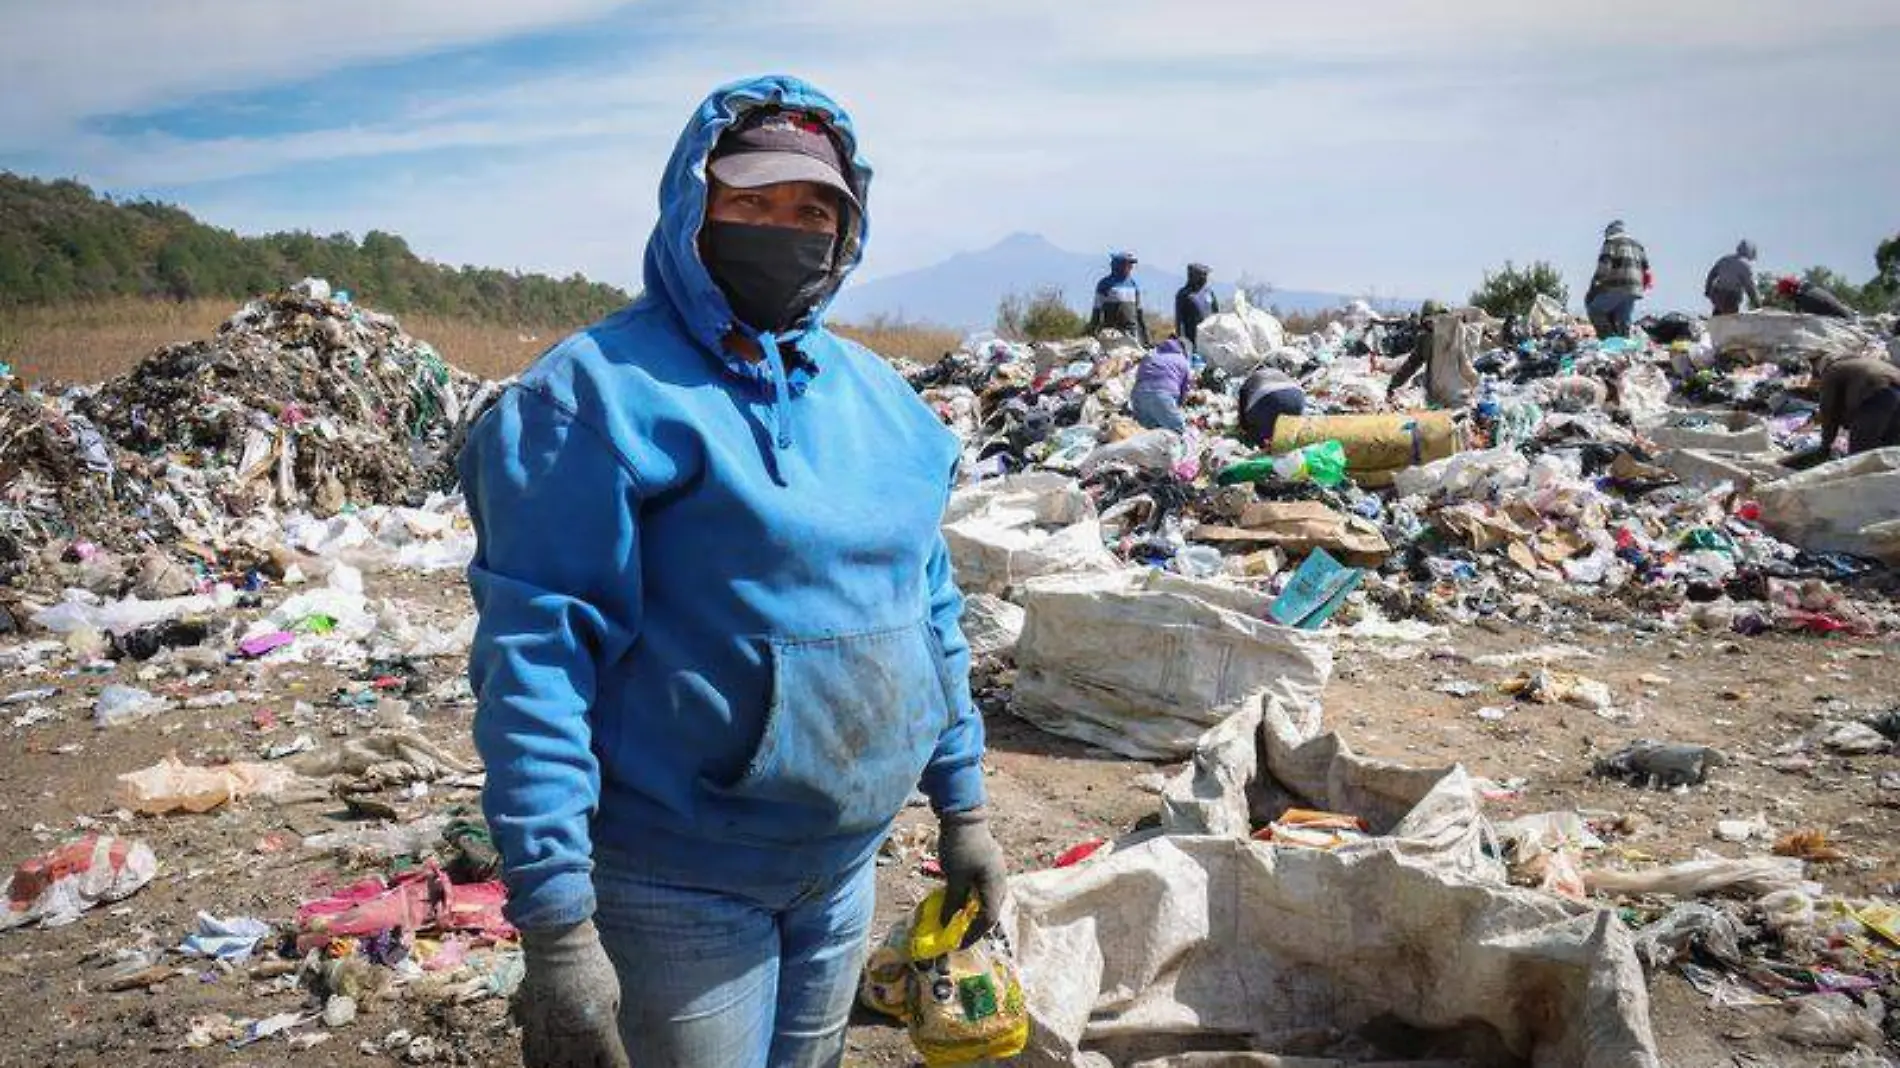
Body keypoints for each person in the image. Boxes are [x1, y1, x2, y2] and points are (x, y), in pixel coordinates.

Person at [459, 75, 1007, 1068]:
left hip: (843, 870)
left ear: (848, 233)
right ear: (691, 209)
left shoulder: (884, 406)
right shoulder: (593, 399)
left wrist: (962, 810)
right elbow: (536, 663)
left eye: (812, 211)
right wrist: (555, 927)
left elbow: (928, 612)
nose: (784, 229)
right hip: (675, 886)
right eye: (750, 204)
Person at [1800, 356, 1900, 460]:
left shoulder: (1832, 372)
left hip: (1878, 395)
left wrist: (1825, 446)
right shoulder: (1859, 363)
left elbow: (1829, 412)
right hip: (1893, 392)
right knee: (1891, 449)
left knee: (1860, 453)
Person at [1386, 300, 1478, 408]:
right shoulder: (1425, 340)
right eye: (1428, 322)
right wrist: (1393, 385)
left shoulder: (1455, 337)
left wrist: (1474, 382)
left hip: (1457, 393)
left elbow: (1465, 364)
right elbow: (1411, 365)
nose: (1432, 325)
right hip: (1435, 393)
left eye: (1434, 321)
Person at [1585, 220, 1650, 339]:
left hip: (1617, 286)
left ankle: (1607, 340)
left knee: (1595, 310)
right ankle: (1624, 346)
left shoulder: (1611, 242)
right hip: (1635, 288)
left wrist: (1594, 286)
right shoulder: (1637, 245)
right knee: (1623, 320)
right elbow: (1646, 269)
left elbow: (1604, 267)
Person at [1129, 337, 1192, 432]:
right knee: (1178, 430)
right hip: (1161, 395)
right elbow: (1184, 388)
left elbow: (1139, 375)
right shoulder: (1182, 360)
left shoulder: (1151, 355)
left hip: (1138, 394)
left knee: (1144, 432)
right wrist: (1178, 406)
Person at [1087, 250, 1149, 345]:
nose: (1130, 267)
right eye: (1127, 264)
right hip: (1111, 334)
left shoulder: (1133, 285)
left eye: (1131, 265)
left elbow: (1139, 314)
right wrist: (1091, 334)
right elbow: (1096, 312)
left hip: (1131, 334)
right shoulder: (1105, 285)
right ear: (1117, 265)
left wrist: (1146, 339)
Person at [1237, 364, 1306, 446]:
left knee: (1259, 435)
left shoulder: (1247, 384)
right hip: (1297, 394)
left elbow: (1243, 418)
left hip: (1268, 397)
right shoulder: (1278, 373)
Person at [1705, 240, 1760, 316]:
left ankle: (1715, 320)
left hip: (1717, 294)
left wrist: (1707, 290)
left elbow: (1711, 275)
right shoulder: (1745, 265)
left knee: (1718, 312)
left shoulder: (1724, 260)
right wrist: (1758, 304)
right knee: (1730, 316)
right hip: (1731, 296)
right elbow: (1750, 287)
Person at [1174, 263, 1218, 347]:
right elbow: (1179, 321)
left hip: (1209, 338)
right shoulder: (1184, 295)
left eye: (1206, 275)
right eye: (1203, 275)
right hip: (1192, 338)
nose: (1205, 278)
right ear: (1194, 277)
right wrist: (1181, 340)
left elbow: (1216, 313)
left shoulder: (1208, 292)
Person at [1777, 276, 1856, 319]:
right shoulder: (1809, 290)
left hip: (1844, 326)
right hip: (1846, 320)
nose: (1783, 297)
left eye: (1784, 294)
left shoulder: (1806, 299)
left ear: (1791, 290)